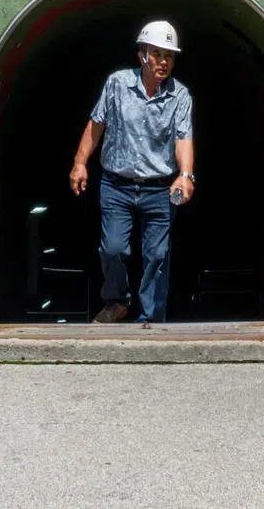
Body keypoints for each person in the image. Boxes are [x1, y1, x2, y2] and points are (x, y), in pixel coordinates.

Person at [69, 20, 195, 324]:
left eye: (169, 56)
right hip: (117, 184)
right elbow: (96, 125)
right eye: (157, 54)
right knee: (112, 248)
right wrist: (79, 163)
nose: (163, 62)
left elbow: (183, 139)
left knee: (157, 255)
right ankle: (117, 301)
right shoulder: (117, 84)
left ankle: (150, 319)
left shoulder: (180, 96)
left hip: (159, 187)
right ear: (142, 55)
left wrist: (186, 174)